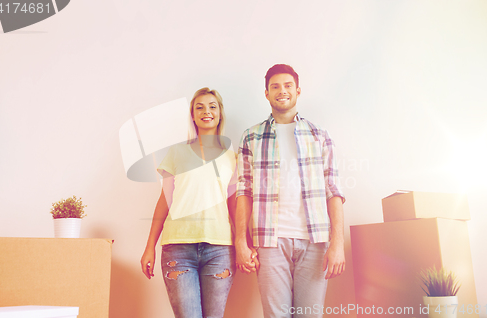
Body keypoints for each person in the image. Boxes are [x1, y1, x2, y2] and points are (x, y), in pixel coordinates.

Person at [235, 64, 346, 318]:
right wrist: (241, 241)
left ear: (297, 90)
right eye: (275, 86)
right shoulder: (251, 137)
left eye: (287, 86)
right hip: (270, 241)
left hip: (315, 241)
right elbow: (244, 191)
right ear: (266, 93)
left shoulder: (319, 135)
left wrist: (337, 243)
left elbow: (333, 190)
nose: (281, 91)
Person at [141, 87, 237, 318]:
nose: (206, 111)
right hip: (178, 249)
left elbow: (234, 204)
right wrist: (149, 246)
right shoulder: (176, 153)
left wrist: (246, 244)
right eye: (199, 107)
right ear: (193, 116)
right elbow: (164, 200)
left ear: (220, 113)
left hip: (220, 250)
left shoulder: (232, 157)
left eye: (212, 106)